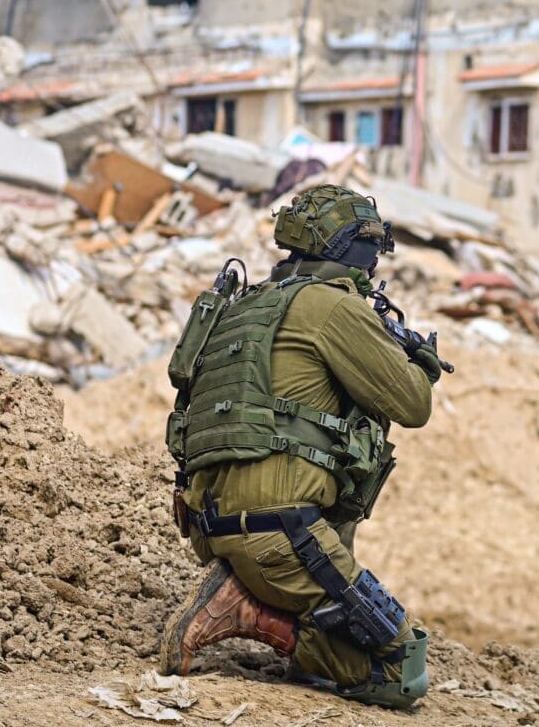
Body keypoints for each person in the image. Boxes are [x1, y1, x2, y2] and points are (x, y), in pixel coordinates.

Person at [157, 184, 446, 709]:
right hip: (282, 533)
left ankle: (251, 589)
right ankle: (252, 611)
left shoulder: (247, 306)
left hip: (211, 526)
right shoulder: (331, 307)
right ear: (353, 249)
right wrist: (420, 360)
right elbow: (412, 405)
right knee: (402, 670)